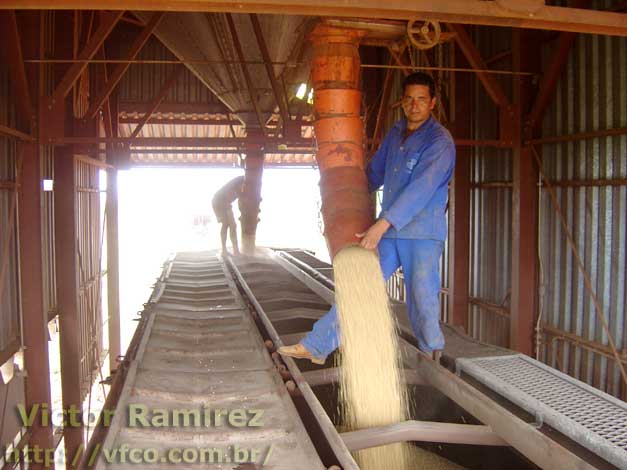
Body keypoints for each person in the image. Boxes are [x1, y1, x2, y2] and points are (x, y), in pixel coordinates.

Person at [279, 72, 456, 364]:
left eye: (421, 99)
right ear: (402, 102)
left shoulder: (439, 142)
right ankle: (318, 345)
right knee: (361, 284)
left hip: (421, 233)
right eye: (409, 99)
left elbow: (420, 189)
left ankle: (431, 354)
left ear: (432, 102)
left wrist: (381, 225)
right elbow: (375, 173)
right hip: (388, 231)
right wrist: (345, 195)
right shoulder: (396, 133)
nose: (415, 105)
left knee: (422, 297)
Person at [212, 175, 245, 256]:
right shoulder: (242, 180)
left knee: (229, 225)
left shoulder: (242, 182)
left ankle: (229, 250)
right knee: (230, 225)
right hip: (219, 202)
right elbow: (240, 197)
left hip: (221, 202)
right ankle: (230, 250)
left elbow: (240, 198)